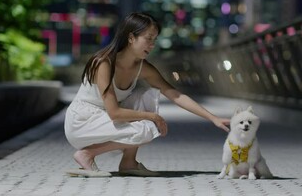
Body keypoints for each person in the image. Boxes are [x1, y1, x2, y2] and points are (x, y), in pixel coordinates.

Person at [64, 12, 230, 177]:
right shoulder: (104, 63)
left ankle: (129, 163)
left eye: (154, 40)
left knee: (146, 96)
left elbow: (175, 95)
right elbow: (114, 113)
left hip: (104, 117)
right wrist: (153, 117)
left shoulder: (142, 67)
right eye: (148, 38)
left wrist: (212, 118)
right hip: (82, 121)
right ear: (131, 38)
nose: (152, 45)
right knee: (146, 128)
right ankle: (86, 154)